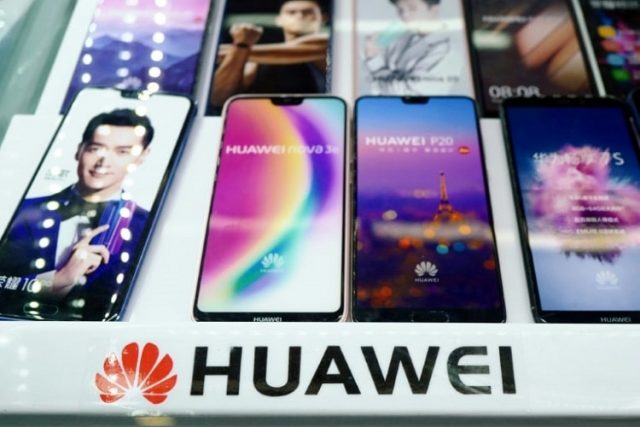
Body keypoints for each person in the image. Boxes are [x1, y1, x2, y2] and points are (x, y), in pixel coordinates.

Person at [0, 109, 153, 302]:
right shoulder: (24, 210)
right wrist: (58, 280)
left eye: (122, 152)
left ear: (142, 157)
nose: (104, 162)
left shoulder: (147, 226)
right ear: (79, 150)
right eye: (95, 149)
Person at [210, 0, 329, 110]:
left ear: (323, 18)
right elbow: (218, 98)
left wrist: (239, 48)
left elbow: (304, 49)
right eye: (291, 12)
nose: (299, 16)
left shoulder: (331, 46)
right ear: (279, 20)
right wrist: (240, 48)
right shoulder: (256, 61)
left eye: (307, 12)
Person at [362, 0, 470, 96]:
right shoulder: (401, 36)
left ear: (434, 10)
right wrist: (373, 58)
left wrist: (377, 70)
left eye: (412, 8)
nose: (404, 15)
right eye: (400, 9)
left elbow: (409, 93)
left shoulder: (448, 50)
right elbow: (372, 80)